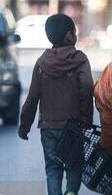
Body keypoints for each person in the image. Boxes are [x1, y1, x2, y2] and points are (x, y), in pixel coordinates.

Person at [18, 14, 94, 195]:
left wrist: (24, 126)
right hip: (73, 127)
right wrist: (86, 120)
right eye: (74, 32)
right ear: (69, 35)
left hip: (49, 127)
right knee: (74, 166)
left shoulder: (42, 62)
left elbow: (32, 98)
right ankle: (70, 193)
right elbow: (86, 90)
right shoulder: (80, 59)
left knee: (53, 169)